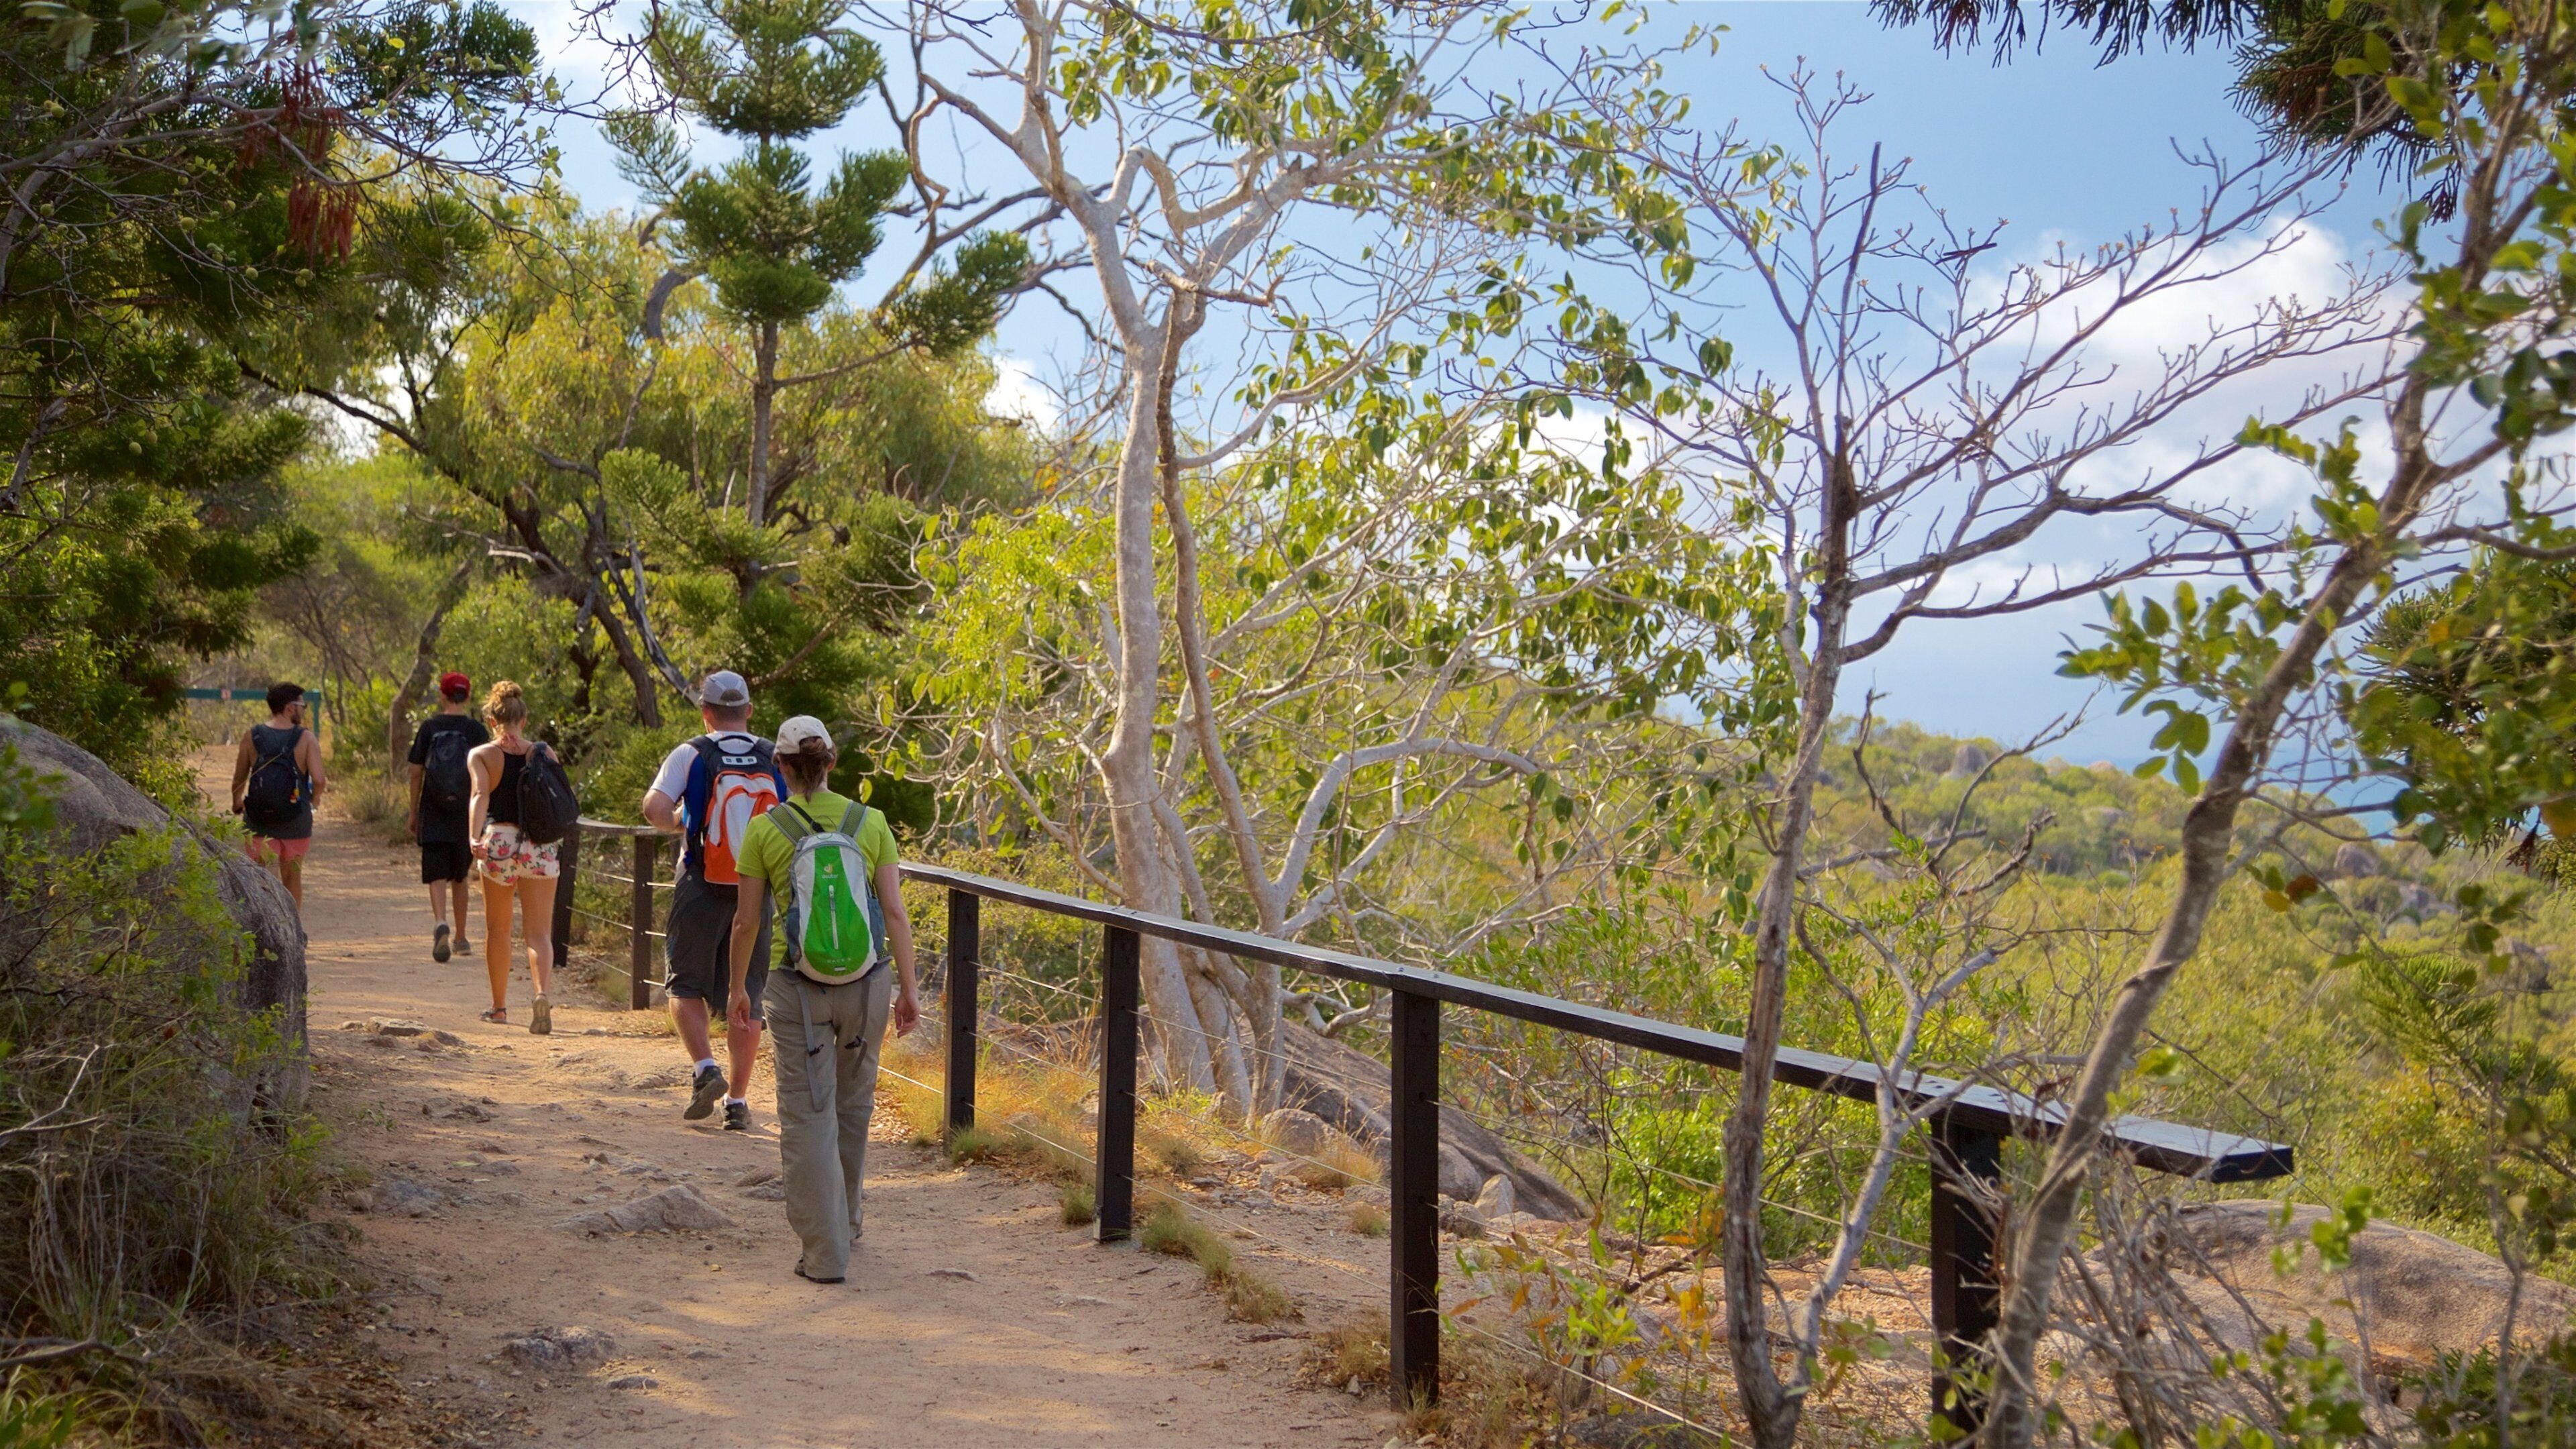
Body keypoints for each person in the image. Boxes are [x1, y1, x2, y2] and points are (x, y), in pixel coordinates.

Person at [727, 716, 918, 1283]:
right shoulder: (871, 822)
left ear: (780, 768)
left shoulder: (765, 831)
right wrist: (908, 988)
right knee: (853, 1106)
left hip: (796, 988)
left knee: (808, 1114)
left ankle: (825, 1251)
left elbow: (745, 921)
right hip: (867, 984)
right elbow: (895, 912)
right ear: (832, 762)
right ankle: (850, 1219)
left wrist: (739, 987)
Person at [641, 669, 784, 1128]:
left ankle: (706, 1069)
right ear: (748, 710)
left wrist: (684, 820)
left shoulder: (693, 752)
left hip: (701, 883)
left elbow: (655, 810)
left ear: (706, 713)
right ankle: (738, 1103)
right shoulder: (772, 755)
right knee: (748, 995)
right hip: (755, 891)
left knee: (683, 984)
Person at [466, 681, 559, 1034]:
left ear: (492, 719)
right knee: (539, 934)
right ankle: (542, 994)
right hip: (540, 847)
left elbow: (479, 795)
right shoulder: (545, 753)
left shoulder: (482, 755)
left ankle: (500, 1008)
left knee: (498, 930)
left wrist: (474, 837)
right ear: (524, 717)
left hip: (500, 844)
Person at [406, 672, 488, 963]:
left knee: (436, 874)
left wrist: (413, 811)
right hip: (466, 812)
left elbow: (416, 772)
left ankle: (441, 920)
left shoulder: (429, 728)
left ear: (442, 695)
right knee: (460, 876)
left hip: (433, 809)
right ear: (467, 696)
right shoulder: (476, 731)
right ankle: (462, 938)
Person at [230, 682, 325, 909]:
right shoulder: (307, 739)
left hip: (258, 821)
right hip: (296, 820)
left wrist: (237, 802)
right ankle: (292, 934)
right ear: (290, 708)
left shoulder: (252, 736)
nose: (304, 711)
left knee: (264, 880)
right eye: (302, 705)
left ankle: (269, 932)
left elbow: (239, 778)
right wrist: (314, 800)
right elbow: (320, 780)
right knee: (292, 877)